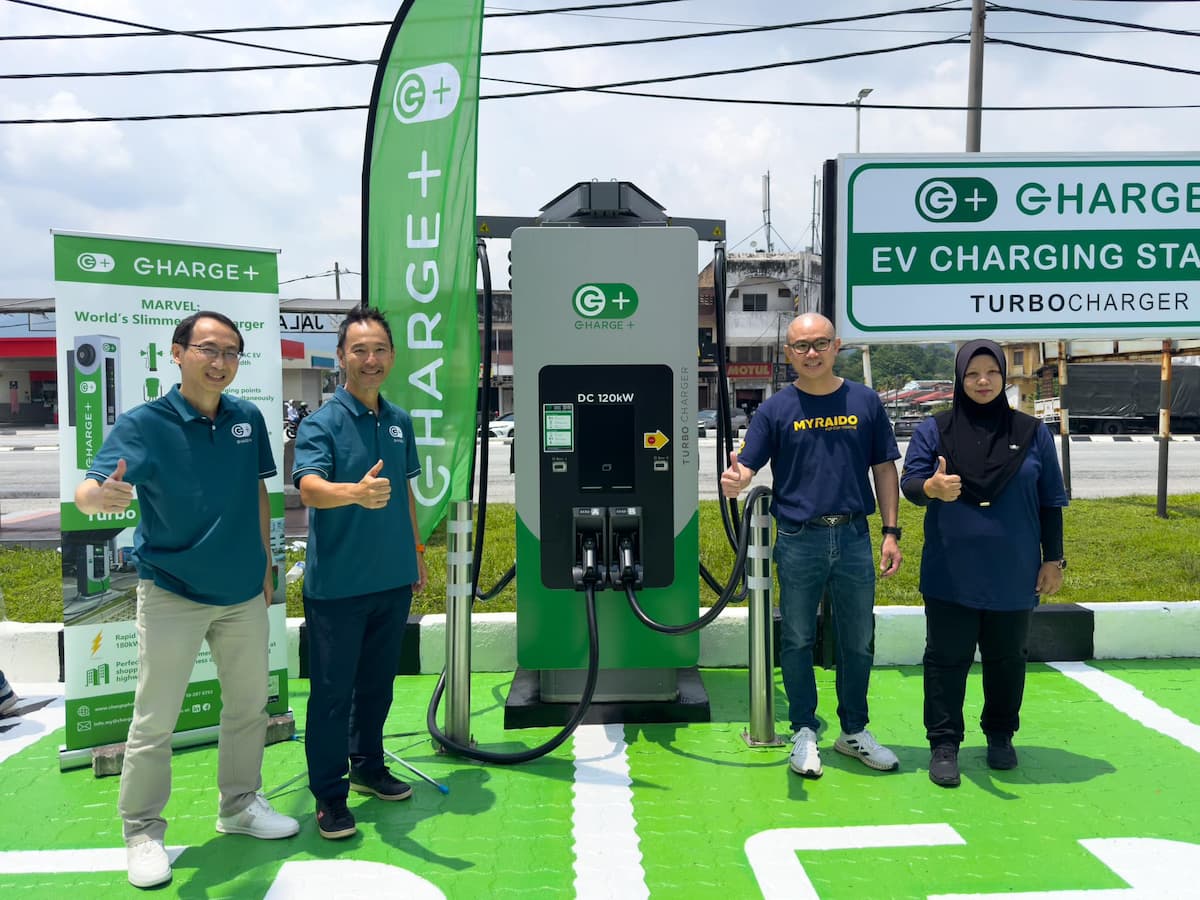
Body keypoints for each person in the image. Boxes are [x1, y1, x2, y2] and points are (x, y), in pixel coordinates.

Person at [74, 311, 299, 889]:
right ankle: (143, 831)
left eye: (230, 352)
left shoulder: (247, 418)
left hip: (243, 593)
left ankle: (239, 807)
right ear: (178, 354)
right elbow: (91, 490)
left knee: (248, 709)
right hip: (172, 590)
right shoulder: (146, 424)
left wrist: (267, 566)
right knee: (155, 720)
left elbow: (257, 491)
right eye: (207, 349)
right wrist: (101, 498)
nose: (220, 362)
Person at [721, 312, 903, 779]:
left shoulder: (864, 401)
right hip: (800, 537)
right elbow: (748, 466)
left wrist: (891, 531)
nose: (811, 353)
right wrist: (735, 478)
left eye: (820, 343)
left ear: (836, 345)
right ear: (788, 354)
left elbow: (884, 468)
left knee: (858, 640)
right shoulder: (776, 410)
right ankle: (803, 729)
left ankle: (854, 731)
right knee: (798, 637)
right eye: (801, 346)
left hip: (855, 536)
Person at [900, 339, 1068, 788]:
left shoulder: (1032, 434)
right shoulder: (934, 431)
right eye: (972, 373)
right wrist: (931, 489)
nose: (982, 381)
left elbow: (1051, 501)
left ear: (1003, 378)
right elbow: (911, 482)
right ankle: (944, 744)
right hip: (951, 570)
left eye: (991, 373)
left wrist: (1054, 560)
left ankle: (999, 736)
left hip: (1013, 570)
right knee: (945, 660)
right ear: (959, 378)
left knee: (1007, 658)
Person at [292, 307, 427, 841]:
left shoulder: (399, 420)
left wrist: (415, 551)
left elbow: (406, 491)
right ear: (342, 357)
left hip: (392, 579)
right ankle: (329, 793)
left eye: (379, 351)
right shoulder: (321, 422)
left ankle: (368, 765)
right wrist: (354, 492)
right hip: (338, 587)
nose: (370, 360)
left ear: (391, 356)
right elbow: (307, 488)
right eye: (359, 351)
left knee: (377, 686)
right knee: (331, 694)